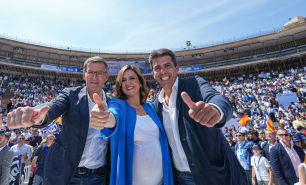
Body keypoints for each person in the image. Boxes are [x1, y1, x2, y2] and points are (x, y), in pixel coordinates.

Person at [6, 56, 111, 185]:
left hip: (97, 177)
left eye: (99, 73)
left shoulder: (113, 104)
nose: (95, 77)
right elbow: (53, 106)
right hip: (64, 173)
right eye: (91, 72)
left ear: (106, 76)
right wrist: (37, 115)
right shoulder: (71, 95)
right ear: (84, 75)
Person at [149, 48, 248, 184]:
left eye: (167, 66)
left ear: (176, 68)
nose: (163, 71)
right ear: (153, 73)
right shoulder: (156, 105)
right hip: (182, 178)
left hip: (213, 174)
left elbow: (218, 99)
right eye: (157, 68)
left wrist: (215, 110)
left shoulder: (193, 83)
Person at [90, 65, 174, 185]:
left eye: (132, 78)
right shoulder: (118, 105)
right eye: (123, 80)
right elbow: (113, 117)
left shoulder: (151, 107)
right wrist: (104, 117)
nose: (127, 83)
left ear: (140, 82)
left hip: (161, 180)